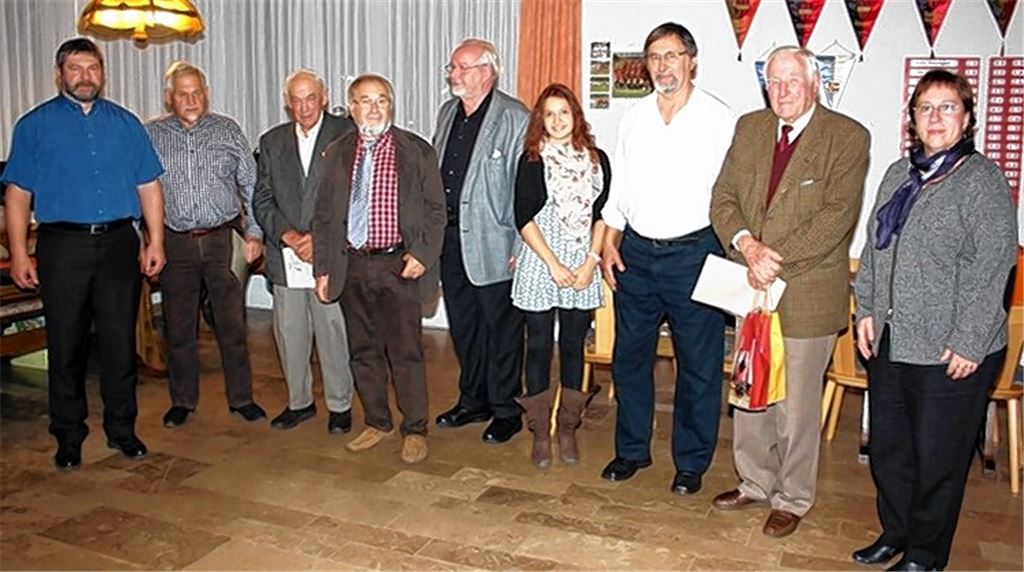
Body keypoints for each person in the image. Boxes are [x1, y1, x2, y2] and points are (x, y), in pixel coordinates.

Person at [850, 69, 1016, 571]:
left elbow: (993, 268)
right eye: (926, 107)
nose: (936, 116)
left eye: (948, 107)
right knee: (891, 450)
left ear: (967, 119)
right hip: (894, 340)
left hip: (952, 350)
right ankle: (896, 531)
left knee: (937, 459)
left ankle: (926, 554)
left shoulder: (981, 181)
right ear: (913, 119)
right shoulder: (899, 175)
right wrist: (868, 310)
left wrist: (969, 340)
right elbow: (876, 250)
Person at [709, 46, 870, 538]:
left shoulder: (847, 137)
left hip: (803, 288)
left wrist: (769, 259)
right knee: (750, 388)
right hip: (749, 286)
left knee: (796, 405)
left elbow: (837, 217)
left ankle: (793, 496)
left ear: (814, 83)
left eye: (792, 81)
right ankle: (754, 481)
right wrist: (745, 245)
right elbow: (723, 198)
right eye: (773, 82)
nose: (781, 91)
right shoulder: (750, 128)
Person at [2, 38, 165, 470]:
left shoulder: (127, 124)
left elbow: (148, 185)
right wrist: (19, 253)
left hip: (118, 245)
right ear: (59, 74)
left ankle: (123, 429)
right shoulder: (33, 126)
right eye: (76, 68)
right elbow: (18, 193)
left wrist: (156, 241)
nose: (85, 76)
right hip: (62, 245)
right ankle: (69, 436)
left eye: (92, 68)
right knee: (67, 343)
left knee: (117, 342)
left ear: (102, 73)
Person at [598, 22, 734, 494]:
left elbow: (730, 196)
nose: (662, 66)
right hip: (635, 252)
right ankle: (631, 450)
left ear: (691, 60)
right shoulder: (634, 117)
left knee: (697, 364)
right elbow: (620, 190)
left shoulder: (719, 118)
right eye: (654, 57)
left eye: (672, 56)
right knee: (629, 358)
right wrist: (609, 242)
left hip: (694, 254)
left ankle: (691, 462)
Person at [313, 74, 445, 464]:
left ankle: (415, 428)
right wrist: (323, 267)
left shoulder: (415, 150)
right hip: (351, 264)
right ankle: (377, 420)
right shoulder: (336, 152)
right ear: (351, 108)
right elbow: (323, 216)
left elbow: (438, 211)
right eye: (365, 101)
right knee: (362, 349)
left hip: (398, 264)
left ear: (392, 105)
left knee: (405, 351)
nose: (374, 108)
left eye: (382, 100)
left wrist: (422, 253)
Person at [146, 61, 266, 428]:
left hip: (222, 240)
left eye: (197, 91)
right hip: (175, 243)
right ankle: (183, 400)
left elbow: (252, 186)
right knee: (179, 327)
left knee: (231, 324)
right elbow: (139, 190)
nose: (191, 99)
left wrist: (255, 234)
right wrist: (147, 241)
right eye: (182, 93)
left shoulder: (228, 130)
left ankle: (242, 398)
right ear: (170, 98)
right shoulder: (150, 135)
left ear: (206, 93)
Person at [432, 38, 530, 444]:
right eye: (452, 68)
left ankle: (507, 409)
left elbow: (526, 190)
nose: (452, 74)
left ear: (486, 72)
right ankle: (473, 400)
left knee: (503, 330)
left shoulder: (516, 117)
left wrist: (521, 247)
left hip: (497, 243)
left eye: (460, 68)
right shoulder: (447, 112)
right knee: (465, 327)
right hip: (450, 240)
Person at [512, 83, 611, 469]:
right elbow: (522, 217)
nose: (556, 120)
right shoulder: (532, 160)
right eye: (549, 114)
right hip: (542, 260)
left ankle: (568, 426)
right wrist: (553, 264)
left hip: (582, 262)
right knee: (537, 344)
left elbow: (604, 214)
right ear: (541, 120)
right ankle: (539, 429)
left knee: (573, 345)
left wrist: (589, 263)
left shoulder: (597, 159)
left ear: (576, 116)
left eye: (563, 112)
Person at [252, 69, 356, 434]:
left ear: (324, 97)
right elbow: (261, 198)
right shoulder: (271, 141)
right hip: (286, 253)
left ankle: (340, 403)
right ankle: (299, 402)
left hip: (329, 252)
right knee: (290, 329)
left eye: (310, 97)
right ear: (287, 102)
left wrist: (320, 238)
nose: (304, 106)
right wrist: (289, 236)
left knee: (332, 327)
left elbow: (354, 196)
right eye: (296, 99)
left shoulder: (347, 134)